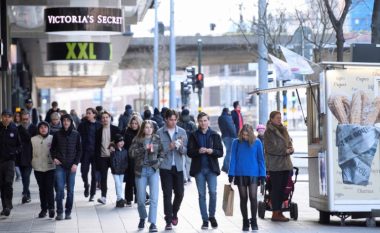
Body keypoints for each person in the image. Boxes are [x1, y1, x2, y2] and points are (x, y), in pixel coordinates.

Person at [187, 112, 223, 230]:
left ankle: (212, 216)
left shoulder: (214, 135)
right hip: (199, 170)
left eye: (205, 120)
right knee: (201, 195)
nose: (203, 123)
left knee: (213, 193)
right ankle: (205, 220)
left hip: (211, 169)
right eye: (201, 121)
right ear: (198, 122)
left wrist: (211, 151)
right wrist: (198, 151)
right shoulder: (193, 135)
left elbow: (220, 152)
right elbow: (189, 152)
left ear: (209, 121)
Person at [228, 124, 266, 231]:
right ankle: (245, 221)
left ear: (251, 134)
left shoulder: (257, 142)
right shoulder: (236, 142)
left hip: (254, 173)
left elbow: (261, 160)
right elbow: (233, 159)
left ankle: (254, 221)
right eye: (243, 135)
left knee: (253, 197)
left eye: (246, 135)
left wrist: (262, 175)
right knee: (243, 198)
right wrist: (231, 173)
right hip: (240, 173)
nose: (245, 137)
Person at [129, 120, 164, 232]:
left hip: (153, 170)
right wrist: (143, 149)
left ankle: (153, 223)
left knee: (154, 198)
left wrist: (157, 164)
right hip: (141, 171)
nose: (148, 129)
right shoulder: (137, 139)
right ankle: (142, 217)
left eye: (150, 127)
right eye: (146, 127)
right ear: (143, 129)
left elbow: (162, 154)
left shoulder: (157, 139)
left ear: (153, 129)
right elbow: (131, 153)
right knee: (140, 198)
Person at [157, 109, 188, 230]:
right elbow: (157, 152)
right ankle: (168, 219)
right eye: (171, 119)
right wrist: (168, 147)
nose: (173, 122)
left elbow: (186, 151)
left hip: (179, 167)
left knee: (180, 193)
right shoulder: (160, 132)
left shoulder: (182, 132)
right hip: (165, 167)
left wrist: (180, 148)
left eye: (175, 120)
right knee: (167, 194)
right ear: (166, 119)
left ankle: (174, 213)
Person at [264, 111, 294, 222]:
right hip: (275, 165)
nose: (279, 119)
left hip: (286, 164)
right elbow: (269, 148)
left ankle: (279, 211)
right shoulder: (268, 132)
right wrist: (284, 150)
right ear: (271, 119)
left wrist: (291, 149)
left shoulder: (284, 129)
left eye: (280, 117)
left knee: (282, 190)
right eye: (277, 118)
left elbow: (289, 142)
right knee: (276, 190)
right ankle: (275, 213)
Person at [50, 114, 82, 220]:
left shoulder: (76, 134)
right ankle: (59, 212)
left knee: (70, 191)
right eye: (64, 120)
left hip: (72, 166)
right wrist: (54, 158)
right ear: (62, 121)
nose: (66, 122)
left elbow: (79, 150)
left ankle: (68, 212)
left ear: (71, 122)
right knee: (59, 190)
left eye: (68, 120)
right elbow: (52, 149)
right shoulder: (57, 134)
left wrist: (76, 164)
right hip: (60, 166)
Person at [95, 111, 121, 205]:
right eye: (103, 117)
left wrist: (116, 148)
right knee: (103, 177)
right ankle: (103, 197)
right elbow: (96, 146)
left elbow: (121, 143)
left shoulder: (116, 129)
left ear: (110, 118)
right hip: (102, 157)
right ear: (101, 120)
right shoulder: (98, 131)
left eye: (107, 117)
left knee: (116, 177)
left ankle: (119, 197)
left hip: (113, 157)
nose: (105, 119)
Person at [31, 121, 55, 218]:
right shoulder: (33, 139)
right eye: (41, 127)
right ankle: (43, 209)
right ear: (38, 129)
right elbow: (29, 152)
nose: (43, 129)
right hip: (38, 168)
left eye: (45, 127)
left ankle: (51, 208)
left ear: (48, 128)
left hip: (50, 167)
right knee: (42, 189)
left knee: (49, 188)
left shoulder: (52, 138)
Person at [0, 109, 22, 216]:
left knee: (8, 183)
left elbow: (19, 145)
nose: (6, 118)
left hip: (10, 161)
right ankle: (4, 207)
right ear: (1, 117)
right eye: (4, 116)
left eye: (8, 116)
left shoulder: (15, 129)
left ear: (11, 118)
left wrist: (14, 152)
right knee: (2, 185)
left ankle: (8, 205)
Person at [77, 108, 102, 201]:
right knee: (83, 172)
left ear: (94, 115)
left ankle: (92, 193)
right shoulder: (82, 125)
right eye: (86, 113)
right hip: (85, 153)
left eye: (89, 113)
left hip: (96, 153)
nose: (87, 115)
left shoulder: (99, 125)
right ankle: (86, 185)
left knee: (94, 175)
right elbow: (77, 137)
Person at [17, 111, 37, 204]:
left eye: (26, 119)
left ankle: (25, 193)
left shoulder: (34, 128)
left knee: (26, 175)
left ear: (30, 118)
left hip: (30, 155)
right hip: (20, 156)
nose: (25, 121)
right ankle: (27, 194)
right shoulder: (18, 128)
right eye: (23, 119)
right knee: (24, 176)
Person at [122, 115, 143, 206]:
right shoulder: (126, 132)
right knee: (129, 179)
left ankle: (138, 198)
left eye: (136, 123)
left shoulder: (142, 133)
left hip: (139, 159)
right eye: (132, 123)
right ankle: (128, 198)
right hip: (129, 158)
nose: (134, 125)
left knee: (139, 179)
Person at [177, 109, 197, 183]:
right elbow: (196, 135)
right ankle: (188, 177)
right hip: (190, 145)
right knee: (188, 162)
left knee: (182, 161)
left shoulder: (178, 124)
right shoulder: (192, 124)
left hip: (181, 145)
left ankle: (184, 177)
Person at [109, 134, 128, 207]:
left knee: (120, 184)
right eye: (120, 141)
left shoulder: (125, 151)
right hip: (115, 171)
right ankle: (120, 198)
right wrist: (114, 168)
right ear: (116, 142)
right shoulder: (113, 151)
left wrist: (125, 167)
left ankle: (119, 199)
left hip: (122, 171)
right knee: (118, 184)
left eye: (122, 141)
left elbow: (126, 161)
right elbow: (112, 161)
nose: (122, 143)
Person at [218, 107, 237, 173]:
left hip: (224, 136)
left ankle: (225, 167)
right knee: (229, 152)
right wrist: (235, 135)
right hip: (230, 136)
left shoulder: (220, 118)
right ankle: (226, 167)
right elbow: (231, 127)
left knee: (228, 151)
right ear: (227, 111)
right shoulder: (228, 117)